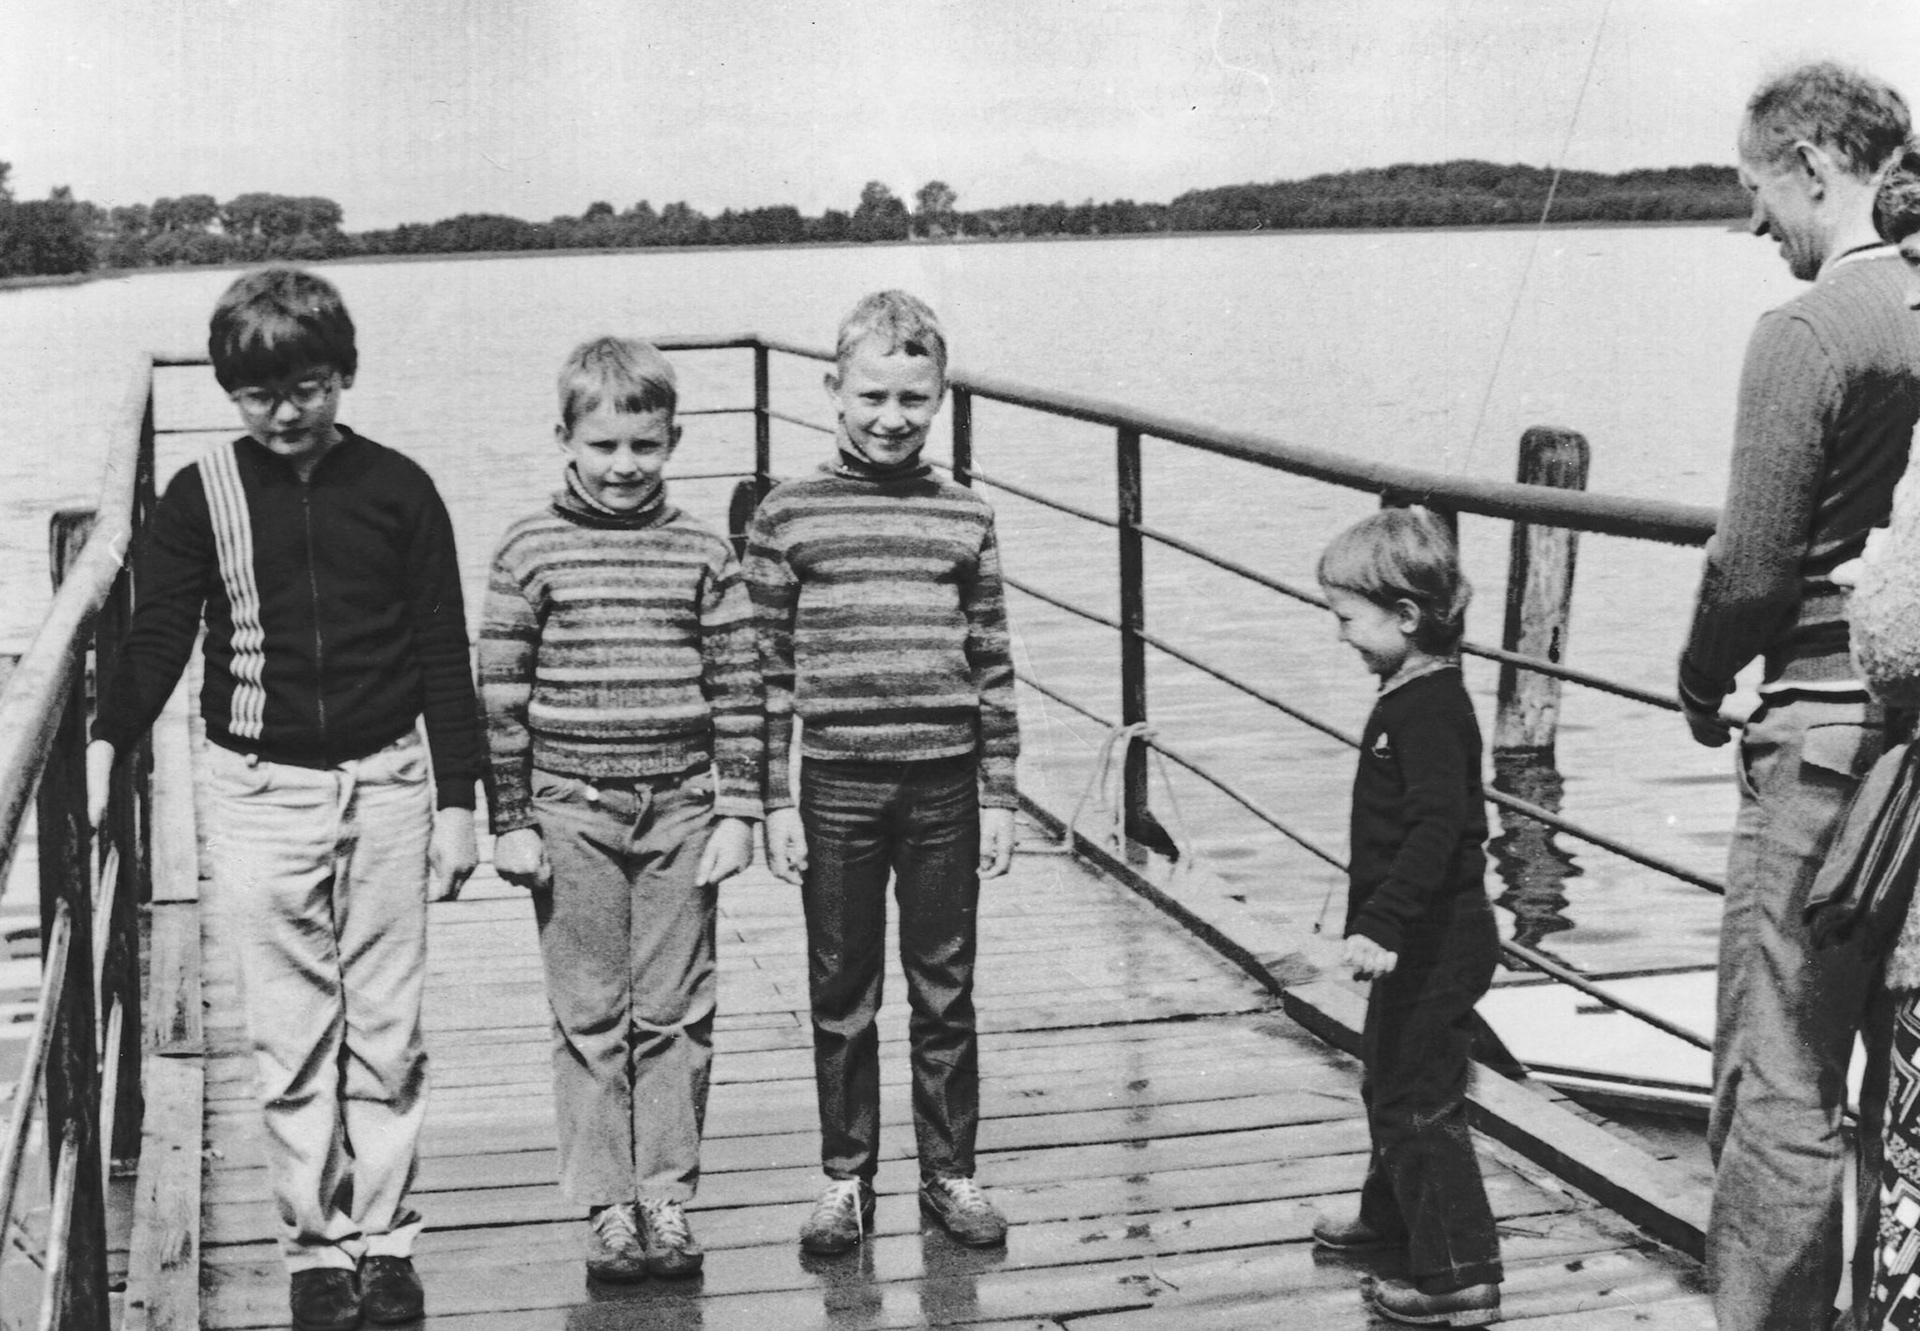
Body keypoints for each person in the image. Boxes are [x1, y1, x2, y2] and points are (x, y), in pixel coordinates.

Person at [85, 267, 482, 1331]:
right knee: (292, 1033)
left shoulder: (401, 488)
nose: (287, 412)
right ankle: (316, 1246)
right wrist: (108, 737)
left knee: (388, 1030)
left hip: (389, 780)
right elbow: (158, 635)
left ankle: (387, 1241)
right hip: (259, 788)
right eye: (259, 395)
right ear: (230, 392)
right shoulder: (199, 495)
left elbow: (444, 651)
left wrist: (460, 800)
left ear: (343, 374)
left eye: (308, 387)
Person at [1675, 62, 1920, 1331]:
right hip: (1916, 762)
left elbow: (1752, 566)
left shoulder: (1813, 330)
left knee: (1780, 1075)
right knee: (1903, 1078)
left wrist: (1700, 674)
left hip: (1826, 747)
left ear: (1815, 168)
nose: (1754, 221)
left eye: (1758, 190)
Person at [478, 336, 762, 1282]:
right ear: (564, 437)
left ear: (674, 440)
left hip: (682, 806)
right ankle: (608, 1202)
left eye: (645, 445)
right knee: (592, 1012)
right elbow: (501, 696)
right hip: (570, 807)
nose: (624, 465)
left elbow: (738, 689)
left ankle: (666, 1196)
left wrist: (739, 808)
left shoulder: (705, 551)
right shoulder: (528, 549)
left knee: (676, 1008)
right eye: (603, 446)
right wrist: (511, 819)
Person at [745, 289, 1021, 1255]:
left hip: (944, 784)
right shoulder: (787, 514)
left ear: (940, 397)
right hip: (836, 784)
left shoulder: (966, 514)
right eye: (872, 396)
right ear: (833, 390)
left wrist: (998, 791)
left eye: (914, 398)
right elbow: (764, 671)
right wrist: (772, 797)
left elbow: (992, 660)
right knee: (841, 988)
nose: (892, 418)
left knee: (944, 986)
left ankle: (949, 1170)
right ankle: (845, 1176)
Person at [1308, 507, 1503, 1327]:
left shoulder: (1426, 709)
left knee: (1418, 1098)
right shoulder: (1413, 693)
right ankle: (1391, 1216)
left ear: (1406, 615)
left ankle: (1458, 1272)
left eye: (1349, 618)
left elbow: (1435, 829)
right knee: (1390, 1077)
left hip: (1436, 936)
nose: (1341, 634)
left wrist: (1383, 921)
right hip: (1422, 934)